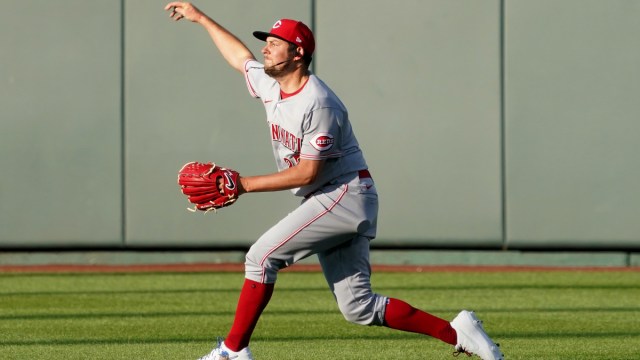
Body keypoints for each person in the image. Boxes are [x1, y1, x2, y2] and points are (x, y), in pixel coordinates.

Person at [164, 3, 504, 360]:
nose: (266, 47)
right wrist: (200, 18)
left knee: (261, 258)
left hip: (344, 194)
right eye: (267, 41)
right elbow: (240, 59)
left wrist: (244, 184)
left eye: (275, 42)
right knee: (358, 307)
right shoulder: (271, 83)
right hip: (330, 196)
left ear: (298, 53)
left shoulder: (320, 102)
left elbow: (308, 172)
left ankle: (233, 351)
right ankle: (458, 333)